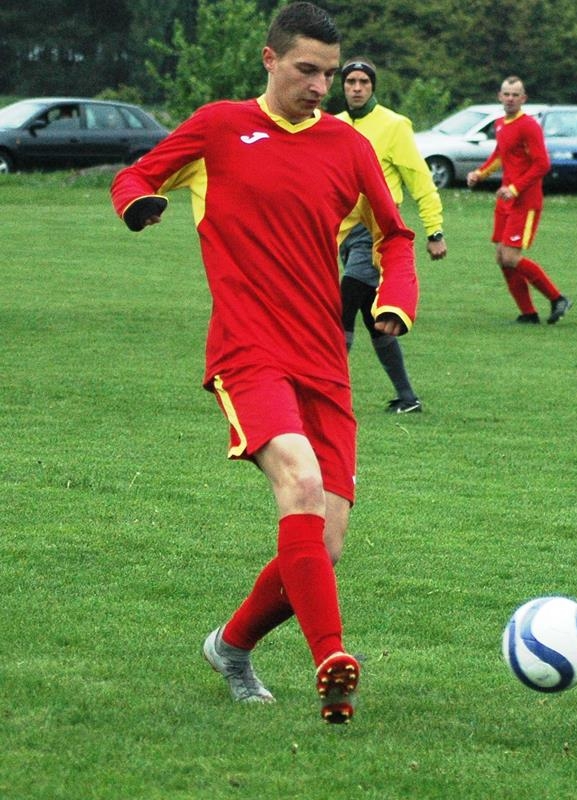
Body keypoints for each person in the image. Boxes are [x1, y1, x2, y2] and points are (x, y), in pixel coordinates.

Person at [110, 1, 420, 722]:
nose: (319, 86)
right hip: (248, 351)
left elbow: (395, 234)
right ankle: (332, 659)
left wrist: (393, 300)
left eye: (330, 73)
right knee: (300, 484)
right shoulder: (220, 126)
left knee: (327, 542)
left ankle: (230, 644)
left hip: (323, 361)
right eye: (306, 70)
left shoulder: (347, 149)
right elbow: (136, 175)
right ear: (270, 59)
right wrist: (139, 203)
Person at [336, 57, 447, 414]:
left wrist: (435, 229)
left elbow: (420, 180)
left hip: (377, 232)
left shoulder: (394, 125)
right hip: (341, 234)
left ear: (372, 87)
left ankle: (329, 389)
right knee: (375, 318)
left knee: (345, 300)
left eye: (362, 82)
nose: (355, 88)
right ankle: (408, 397)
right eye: (350, 82)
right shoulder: (330, 126)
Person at [467, 76, 571, 325]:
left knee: (511, 258)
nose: (510, 98)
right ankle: (528, 313)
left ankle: (557, 298)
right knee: (502, 257)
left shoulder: (529, 126)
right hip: (506, 201)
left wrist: (515, 188)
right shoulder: (501, 123)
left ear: (524, 99)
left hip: (525, 201)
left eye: (516, 95)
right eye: (506, 94)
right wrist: (480, 174)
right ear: (499, 96)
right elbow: (500, 155)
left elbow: (542, 164)